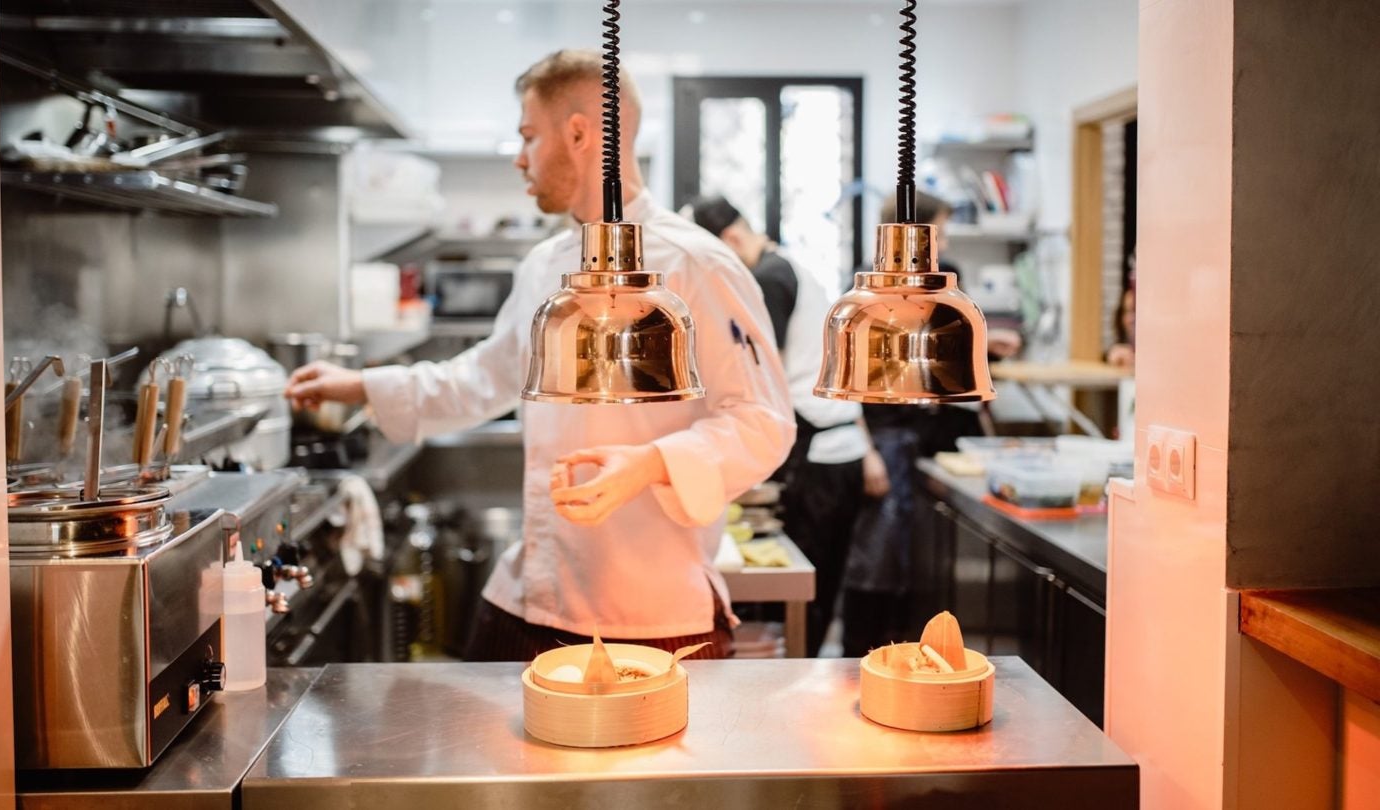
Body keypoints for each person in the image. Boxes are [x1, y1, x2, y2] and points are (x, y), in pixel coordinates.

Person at [285, 50, 795, 661]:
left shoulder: (696, 262)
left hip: (651, 611)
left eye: (529, 135)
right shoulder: (545, 265)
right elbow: (487, 376)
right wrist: (362, 386)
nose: (519, 157)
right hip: (531, 594)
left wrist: (649, 464)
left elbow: (763, 421)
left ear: (579, 134)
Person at [687, 195, 888, 657]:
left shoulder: (769, 278)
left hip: (815, 458)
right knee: (819, 586)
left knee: (800, 598)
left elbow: (756, 374)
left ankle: (795, 684)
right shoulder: (790, 268)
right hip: (835, 451)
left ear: (731, 239)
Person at [840, 191, 1017, 654]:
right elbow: (851, 387)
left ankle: (908, 655)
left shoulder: (940, 286)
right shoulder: (868, 291)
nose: (945, 241)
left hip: (922, 442)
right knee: (878, 559)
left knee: (912, 565)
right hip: (887, 440)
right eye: (940, 231)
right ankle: (862, 656)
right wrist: (868, 451)